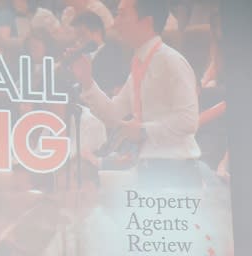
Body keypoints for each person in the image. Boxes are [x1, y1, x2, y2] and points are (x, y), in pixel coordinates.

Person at [71, 0, 201, 185]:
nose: (115, 23)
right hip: (149, 169)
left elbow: (188, 121)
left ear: (146, 21)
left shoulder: (171, 62)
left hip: (175, 171)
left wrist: (144, 131)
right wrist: (86, 80)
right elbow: (112, 115)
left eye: (122, 14)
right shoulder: (140, 65)